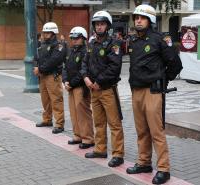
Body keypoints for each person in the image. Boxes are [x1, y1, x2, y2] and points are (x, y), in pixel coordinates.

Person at [126, 4, 183, 184]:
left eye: (142, 18)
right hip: (136, 91)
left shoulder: (160, 39)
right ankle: (144, 162)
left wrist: (163, 79)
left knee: (156, 131)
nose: (138, 21)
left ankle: (164, 169)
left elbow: (175, 63)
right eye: (136, 18)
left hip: (153, 91)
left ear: (150, 20)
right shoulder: (134, 42)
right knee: (141, 131)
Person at [81, 10, 125, 167]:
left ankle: (118, 154)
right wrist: (85, 78)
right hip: (93, 89)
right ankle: (100, 149)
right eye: (97, 24)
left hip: (107, 90)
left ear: (107, 25)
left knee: (114, 123)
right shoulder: (91, 43)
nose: (99, 27)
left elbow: (114, 67)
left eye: (102, 24)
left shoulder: (114, 44)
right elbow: (84, 63)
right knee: (98, 122)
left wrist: (98, 81)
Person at [62, 26, 94, 149]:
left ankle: (88, 138)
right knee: (74, 112)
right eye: (72, 38)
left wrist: (72, 83)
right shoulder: (70, 51)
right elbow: (64, 67)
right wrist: (65, 81)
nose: (74, 40)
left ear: (83, 38)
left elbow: (83, 71)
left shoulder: (86, 52)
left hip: (80, 87)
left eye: (77, 38)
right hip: (71, 87)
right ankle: (78, 135)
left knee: (83, 113)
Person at [33, 22, 66, 134]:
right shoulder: (42, 45)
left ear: (53, 33)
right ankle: (47, 119)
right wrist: (36, 66)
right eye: (44, 32)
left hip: (53, 76)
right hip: (43, 76)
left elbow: (54, 61)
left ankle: (59, 124)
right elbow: (36, 57)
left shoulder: (59, 45)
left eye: (48, 32)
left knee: (56, 100)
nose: (45, 34)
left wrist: (40, 69)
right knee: (45, 100)